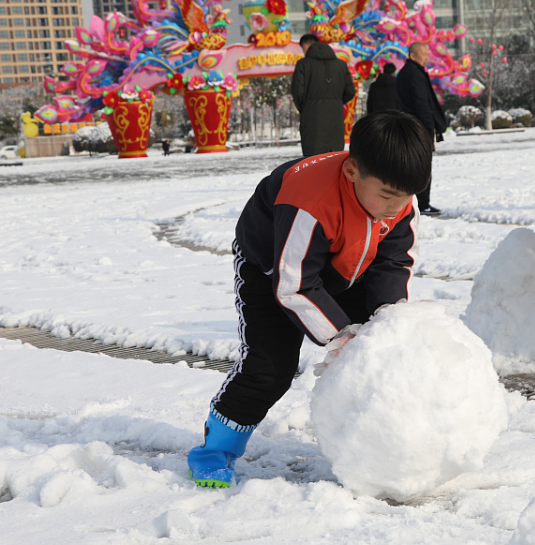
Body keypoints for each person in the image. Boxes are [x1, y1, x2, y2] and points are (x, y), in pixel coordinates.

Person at [187, 111, 432, 487]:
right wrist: (340, 333)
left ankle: (378, 446)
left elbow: (394, 262)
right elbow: (294, 285)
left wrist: (387, 319)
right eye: (386, 196)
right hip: (273, 269)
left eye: (405, 197)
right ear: (352, 171)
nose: (395, 208)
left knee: (380, 348)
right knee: (270, 368)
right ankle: (214, 451)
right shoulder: (309, 202)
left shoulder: (399, 201)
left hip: (347, 266)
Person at [396, 42, 447, 216]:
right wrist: (429, 126)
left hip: (411, 126)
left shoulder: (409, 72)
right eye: (423, 54)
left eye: (427, 53)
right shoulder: (413, 74)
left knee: (414, 166)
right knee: (421, 167)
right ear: (412, 56)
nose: (427, 57)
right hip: (418, 127)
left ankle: (416, 203)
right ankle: (422, 204)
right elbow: (421, 103)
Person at [290, 34, 356, 156]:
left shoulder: (303, 64)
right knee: (334, 158)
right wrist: (336, 102)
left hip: (312, 117)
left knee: (313, 160)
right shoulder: (341, 65)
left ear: (305, 46)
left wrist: (305, 107)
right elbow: (350, 91)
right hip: (336, 116)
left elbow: (297, 90)